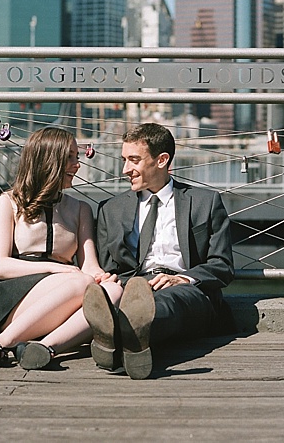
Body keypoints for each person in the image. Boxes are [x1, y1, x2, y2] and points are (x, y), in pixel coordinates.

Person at [0, 127, 122, 370]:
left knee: (113, 291)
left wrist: (102, 276)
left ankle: (44, 347)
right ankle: (2, 341)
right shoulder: (8, 202)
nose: (77, 165)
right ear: (48, 159)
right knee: (81, 283)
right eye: (69, 157)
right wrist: (59, 269)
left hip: (65, 290)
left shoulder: (81, 209)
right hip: (15, 294)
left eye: (77, 157)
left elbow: (89, 264)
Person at [84, 122, 234, 379]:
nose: (125, 170)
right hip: (131, 286)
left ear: (162, 160)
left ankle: (116, 336)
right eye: (124, 160)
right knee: (126, 296)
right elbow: (110, 268)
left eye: (134, 160)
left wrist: (182, 278)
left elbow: (222, 265)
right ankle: (131, 340)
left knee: (166, 300)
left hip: (187, 290)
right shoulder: (110, 209)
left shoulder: (205, 202)